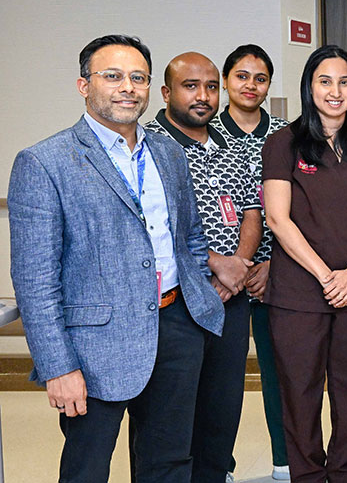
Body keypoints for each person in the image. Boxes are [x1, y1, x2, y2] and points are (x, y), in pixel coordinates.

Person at [9, 35, 224, 483]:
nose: (128, 87)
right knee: (87, 469)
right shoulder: (45, 162)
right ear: (84, 85)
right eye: (113, 76)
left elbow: (189, 235)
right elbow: (35, 280)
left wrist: (198, 296)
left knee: (170, 463)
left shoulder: (168, 152)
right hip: (94, 346)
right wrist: (57, 366)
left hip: (177, 327)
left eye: (138, 78)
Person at [261, 45, 347, 483]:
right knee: (300, 393)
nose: (335, 91)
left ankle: (342, 476)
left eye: (345, 82)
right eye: (325, 81)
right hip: (298, 292)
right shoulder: (284, 142)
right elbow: (278, 219)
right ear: (309, 87)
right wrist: (325, 276)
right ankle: (308, 477)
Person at [143, 52, 262, 483]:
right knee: (171, 418)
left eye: (211, 87)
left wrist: (237, 269)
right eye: (190, 86)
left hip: (231, 299)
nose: (203, 96)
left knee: (221, 410)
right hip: (179, 301)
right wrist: (214, 267)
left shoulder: (230, 143)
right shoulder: (149, 145)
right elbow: (153, 221)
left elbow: (252, 211)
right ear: (166, 92)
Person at [210, 43, 292, 481]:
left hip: (278, 274)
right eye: (241, 76)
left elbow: (303, 207)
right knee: (220, 380)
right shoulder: (205, 130)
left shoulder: (286, 134)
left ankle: (284, 461)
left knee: (281, 373)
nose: (250, 85)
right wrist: (229, 269)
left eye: (260, 79)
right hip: (220, 280)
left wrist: (275, 263)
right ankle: (218, 465)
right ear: (226, 81)